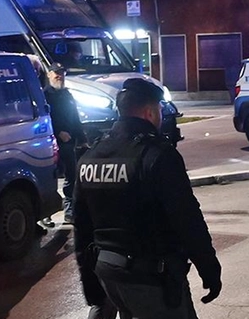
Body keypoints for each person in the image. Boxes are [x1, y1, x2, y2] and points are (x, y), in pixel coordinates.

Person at [73, 77, 221, 319]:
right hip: (152, 279)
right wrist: (209, 269)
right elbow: (187, 219)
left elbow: (81, 226)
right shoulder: (157, 155)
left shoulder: (91, 157)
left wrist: (91, 285)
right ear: (150, 112)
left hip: (109, 275)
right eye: (160, 109)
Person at [42, 60, 87, 222]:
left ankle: (69, 210)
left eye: (62, 73)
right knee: (50, 177)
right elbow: (44, 119)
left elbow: (74, 117)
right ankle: (45, 213)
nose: (59, 76)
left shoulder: (67, 95)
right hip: (50, 144)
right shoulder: (44, 96)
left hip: (68, 143)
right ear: (49, 74)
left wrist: (82, 138)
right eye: (56, 73)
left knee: (71, 176)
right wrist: (58, 132)